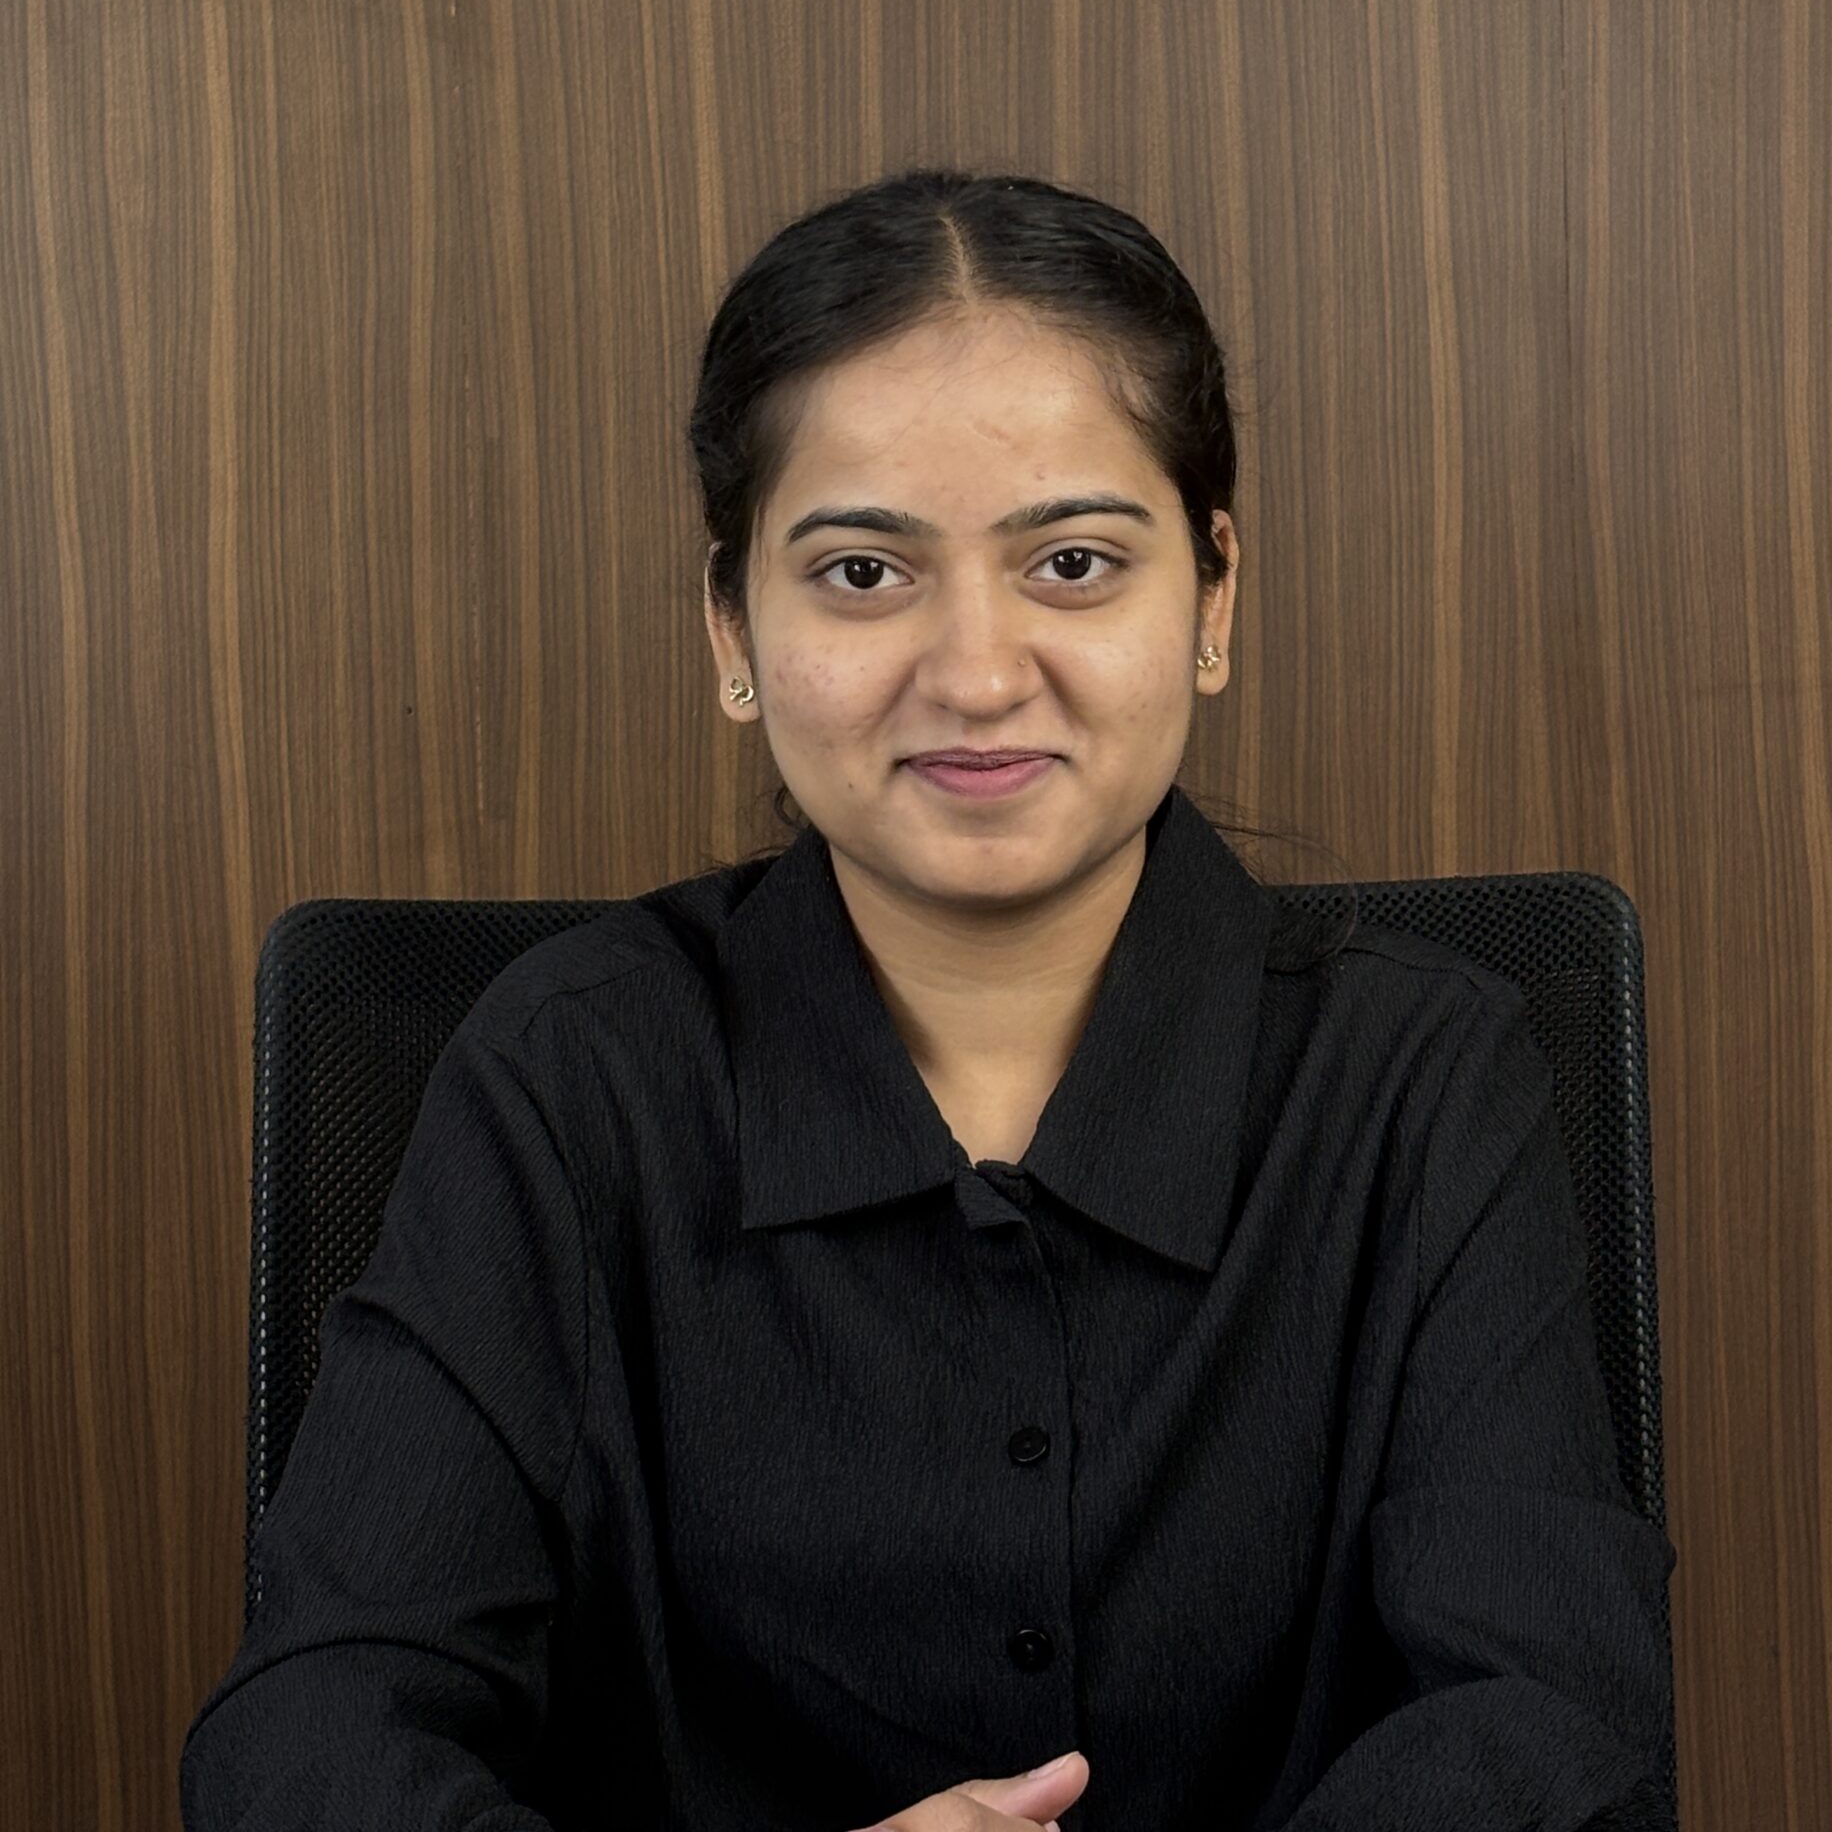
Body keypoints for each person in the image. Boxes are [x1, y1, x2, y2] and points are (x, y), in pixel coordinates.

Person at [180, 167, 1677, 1831]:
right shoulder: (568, 1076)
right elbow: (310, 1742)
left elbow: (1551, 1716)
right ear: (731, 624)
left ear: (1215, 594)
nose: (975, 673)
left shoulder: (1422, 1079)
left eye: (1075, 563)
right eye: (863, 575)